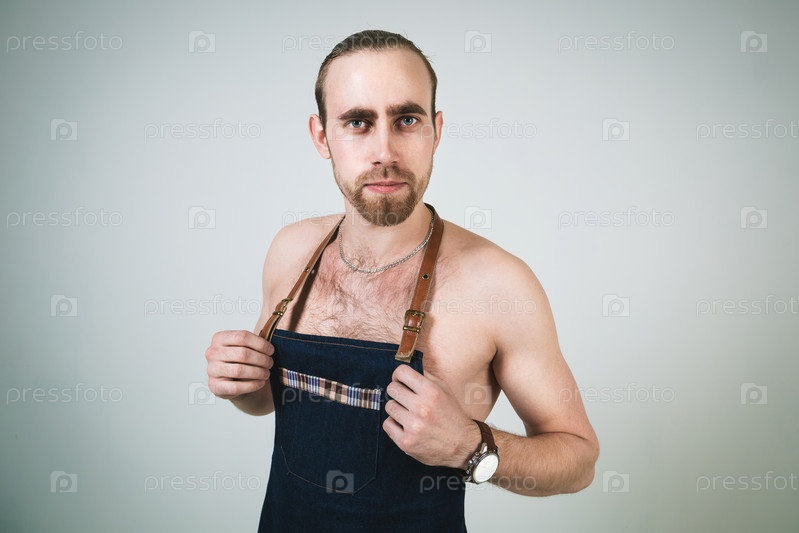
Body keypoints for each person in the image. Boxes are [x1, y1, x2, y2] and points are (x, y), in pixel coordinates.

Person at [205, 29, 599, 532]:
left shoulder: (498, 285)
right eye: (358, 122)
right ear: (322, 136)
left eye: (406, 120)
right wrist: (241, 384)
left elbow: (578, 460)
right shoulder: (290, 251)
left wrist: (471, 447)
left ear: (436, 130)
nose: (384, 152)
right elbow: (266, 401)